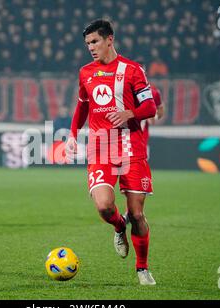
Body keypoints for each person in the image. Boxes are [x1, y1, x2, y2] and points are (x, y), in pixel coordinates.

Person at [65, 19, 158, 285]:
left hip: (131, 147)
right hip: (100, 147)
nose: (91, 48)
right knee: (105, 206)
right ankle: (119, 226)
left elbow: (150, 108)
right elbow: (82, 106)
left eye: (94, 42)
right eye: (87, 44)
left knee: (138, 214)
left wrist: (131, 113)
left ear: (110, 39)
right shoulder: (85, 72)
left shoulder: (133, 70)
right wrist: (72, 135)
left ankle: (142, 269)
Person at [141, 85, 164, 155]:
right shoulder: (122, 87)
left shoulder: (152, 92)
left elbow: (160, 110)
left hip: (141, 136)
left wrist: (154, 115)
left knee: (141, 159)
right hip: (125, 133)